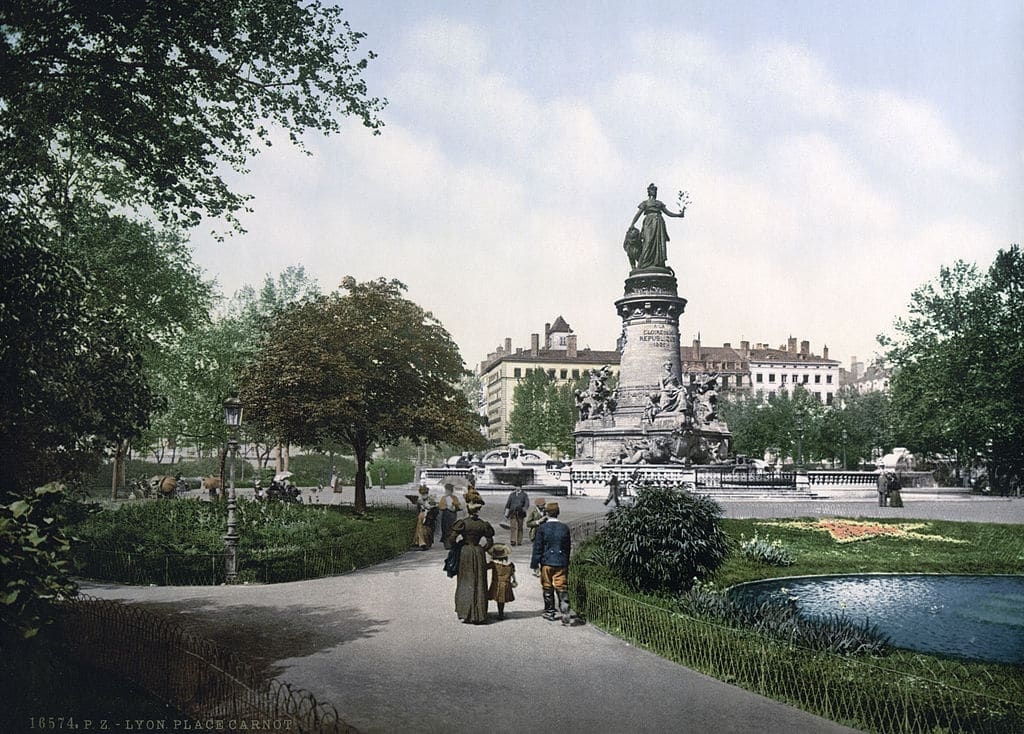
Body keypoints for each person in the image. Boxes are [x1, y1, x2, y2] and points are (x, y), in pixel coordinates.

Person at [445, 489, 495, 624]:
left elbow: (451, 540)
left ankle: (465, 612)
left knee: (465, 581)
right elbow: (490, 543)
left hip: (465, 552)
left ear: (468, 508)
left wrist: (460, 545)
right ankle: (479, 614)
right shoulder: (483, 524)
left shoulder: (463, 523)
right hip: (478, 553)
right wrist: (481, 549)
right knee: (479, 581)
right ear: (478, 510)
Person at [530, 501, 573, 625]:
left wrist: (534, 564)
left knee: (547, 586)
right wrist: (566, 561)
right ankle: (565, 610)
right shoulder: (564, 528)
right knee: (561, 586)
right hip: (561, 562)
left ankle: (550, 612)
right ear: (558, 513)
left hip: (547, 562)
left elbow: (538, 547)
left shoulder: (542, 528)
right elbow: (567, 547)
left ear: (546, 513)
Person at [627, 183, 685, 270]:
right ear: (649, 192)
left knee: (659, 242)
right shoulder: (645, 203)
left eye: (655, 191)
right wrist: (632, 224)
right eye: (652, 190)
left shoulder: (659, 203)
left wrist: (679, 215)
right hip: (649, 223)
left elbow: (668, 213)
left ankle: (658, 263)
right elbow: (638, 214)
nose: (654, 192)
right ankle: (644, 263)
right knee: (648, 241)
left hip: (659, 223)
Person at [487, 544, 517, 621]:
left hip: (496, 584)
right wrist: (514, 580)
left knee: (497, 598)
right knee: (502, 600)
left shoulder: (494, 564)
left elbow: (485, 567)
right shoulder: (510, 565)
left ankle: (498, 614)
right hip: (506, 584)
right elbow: (513, 573)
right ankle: (501, 613)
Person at [438, 483, 463, 549]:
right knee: (445, 529)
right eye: (447, 490)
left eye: (449, 490)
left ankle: (452, 541)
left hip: (453, 514)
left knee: (452, 528)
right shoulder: (444, 498)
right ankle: (446, 543)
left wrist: (455, 506)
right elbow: (441, 506)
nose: (447, 492)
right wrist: (445, 507)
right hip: (446, 514)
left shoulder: (454, 498)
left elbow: (458, 506)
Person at [413, 484, 437, 550]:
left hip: (428, 514)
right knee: (419, 528)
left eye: (425, 493)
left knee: (426, 528)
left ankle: (423, 542)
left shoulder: (431, 498)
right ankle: (420, 542)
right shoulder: (420, 499)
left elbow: (433, 506)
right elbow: (418, 509)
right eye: (423, 493)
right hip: (422, 514)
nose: (424, 494)